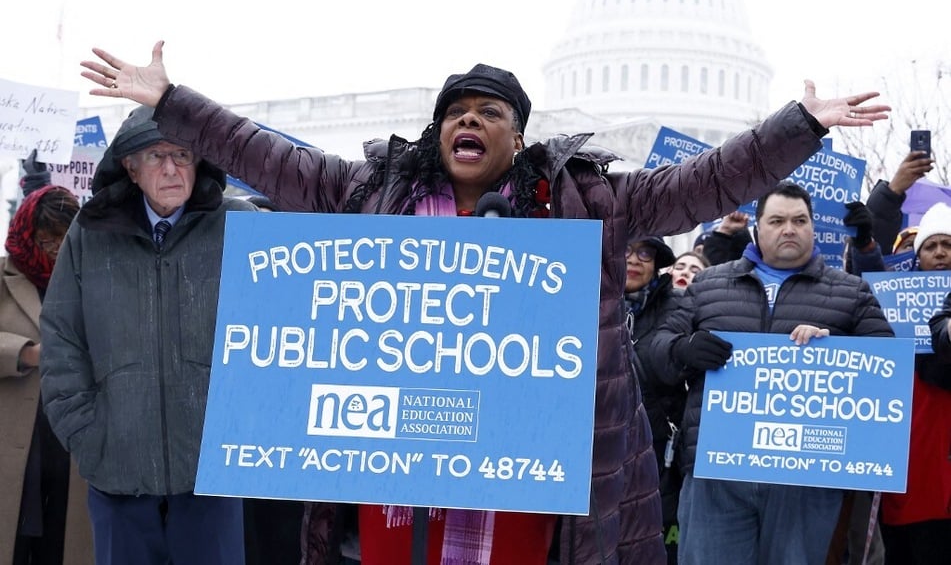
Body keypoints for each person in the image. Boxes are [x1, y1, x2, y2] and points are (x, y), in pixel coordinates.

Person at [79, 41, 889, 565]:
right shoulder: (367, 195)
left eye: (489, 112)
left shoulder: (589, 204)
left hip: (524, 490)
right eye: (454, 111)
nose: (468, 119)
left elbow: (708, 180)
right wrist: (173, 100)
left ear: (517, 138)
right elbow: (263, 152)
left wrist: (799, 127)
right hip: (397, 484)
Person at [39, 106, 256, 565]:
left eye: (183, 154)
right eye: (157, 156)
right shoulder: (90, 232)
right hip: (117, 473)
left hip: (210, 474)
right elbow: (62, 336)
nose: (173, 168)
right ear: (131, 169)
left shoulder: (240, 224)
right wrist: (87, 434)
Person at [649, 181, 894, 565]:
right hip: (718, 469)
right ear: (757, 228)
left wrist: (839, 349)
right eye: (777, 220)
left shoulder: (852, 292)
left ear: (813, 227)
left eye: (799, 220)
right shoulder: (710, 283)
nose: (789, 229)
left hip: (805, 476)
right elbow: (656, 352)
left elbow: (887, 372)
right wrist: (684, 349)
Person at [1, 185, 93, 565]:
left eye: (64, 238)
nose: (55, 250)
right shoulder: (3, 278)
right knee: (15, 535)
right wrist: (25, 353)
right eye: (46, 240)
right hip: (17, 434)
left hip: (73, 432)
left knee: (64, 538)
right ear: (27, 233)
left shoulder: (95, 274)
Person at [878, 201, 951, 564]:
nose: (940, 253)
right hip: (911, 462)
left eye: (948, 245)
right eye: (930, 246)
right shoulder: (893, 308)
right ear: (917, 257)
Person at [623, 237, 685, 564]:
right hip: (594, 444)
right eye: (626, 251)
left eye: (644, 253)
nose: (634, 260)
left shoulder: (676, 305)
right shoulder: (588, 298)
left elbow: (669, 357)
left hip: (655, 443)